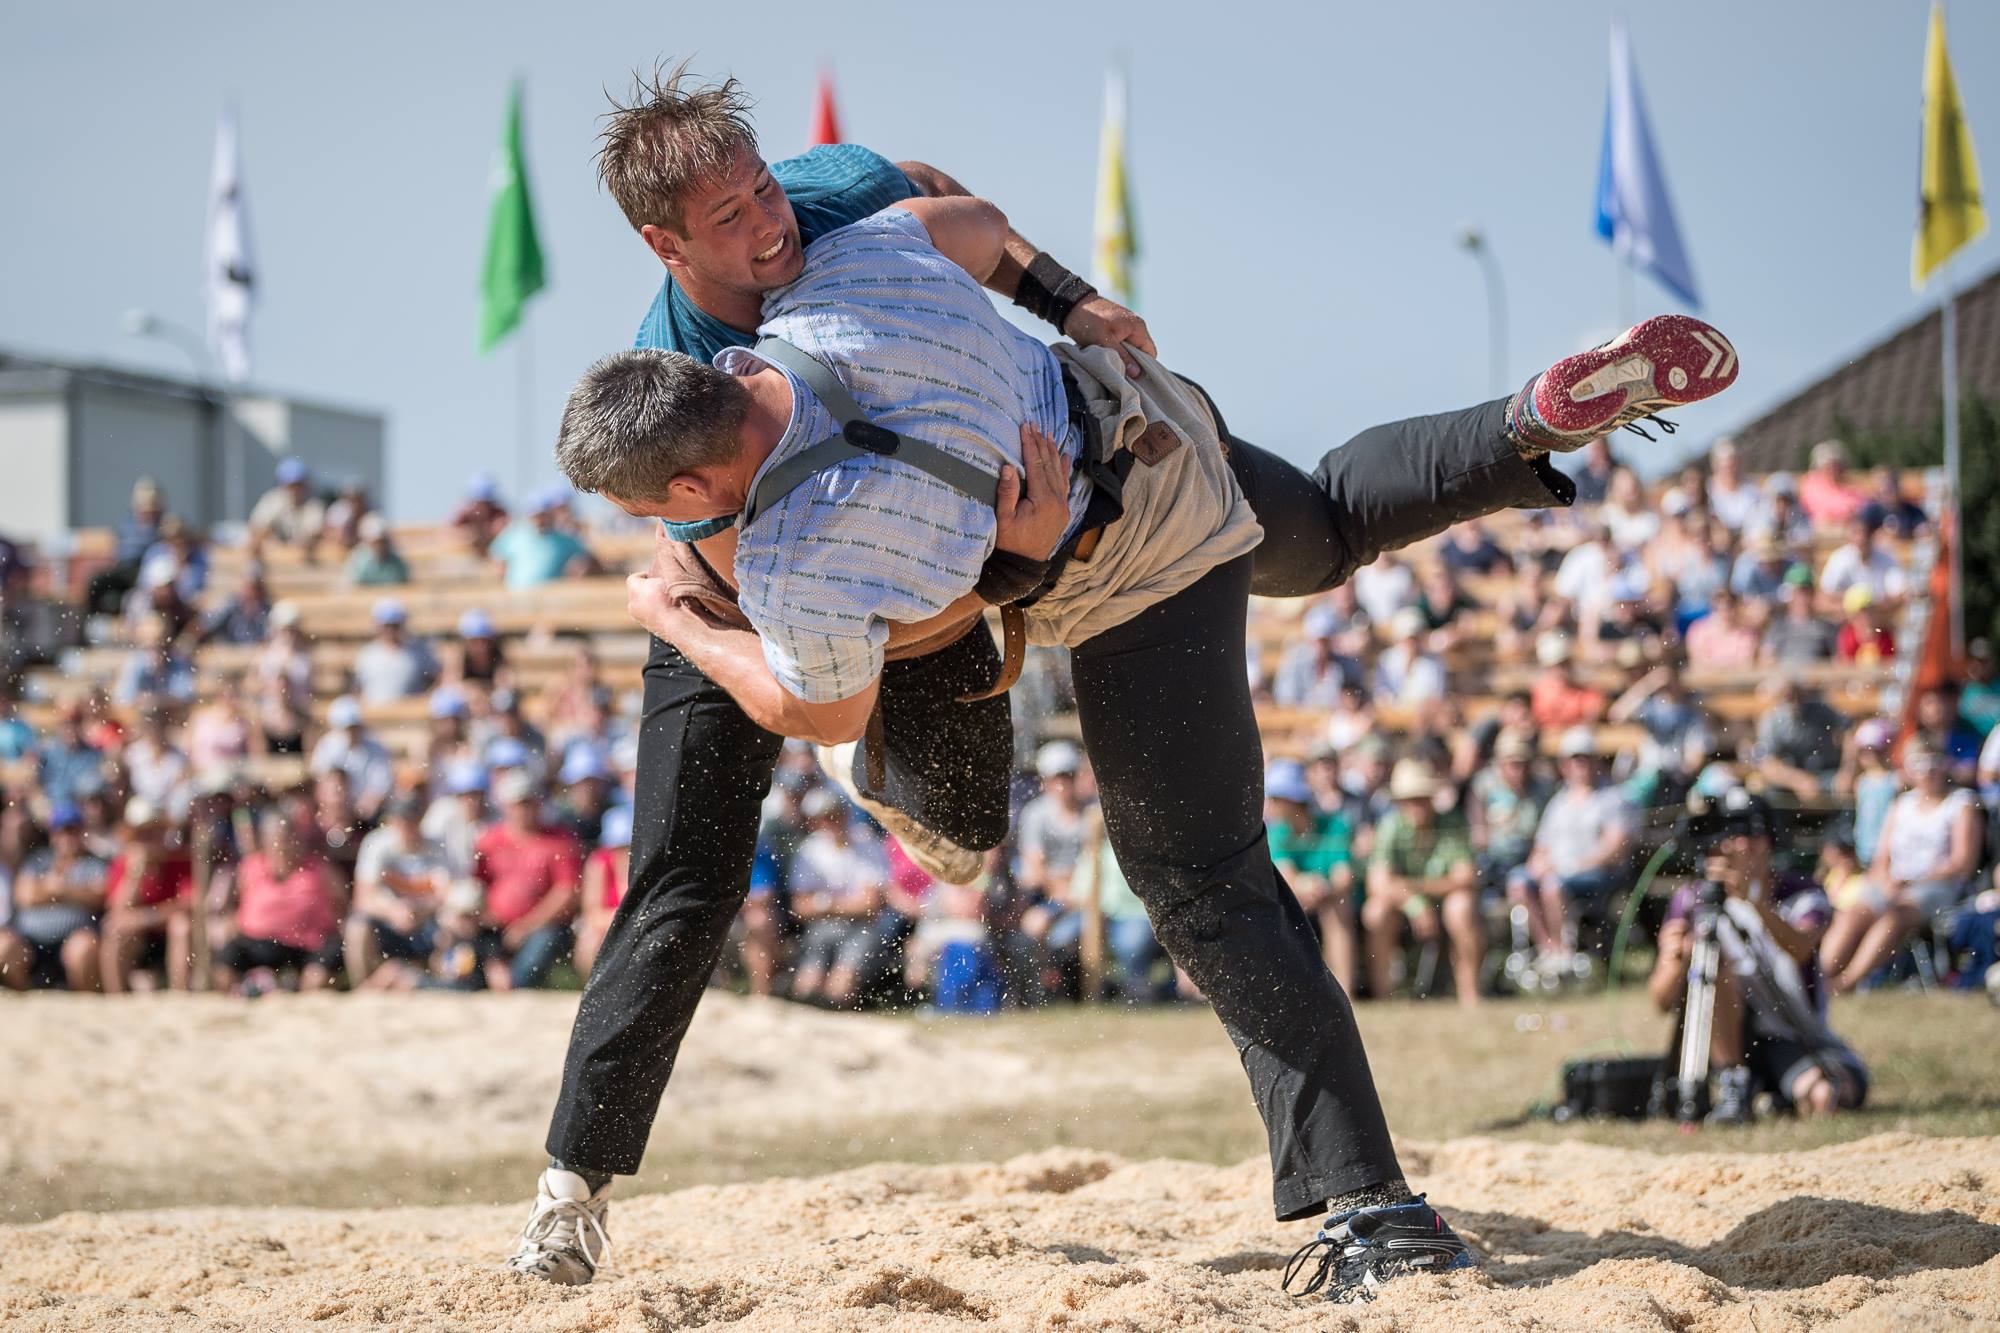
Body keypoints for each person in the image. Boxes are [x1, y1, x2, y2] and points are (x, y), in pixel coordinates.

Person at [509, 67, 1739, 1297]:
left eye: (765, 189)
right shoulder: (718, 365)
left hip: (995, 561)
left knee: (1095, 850)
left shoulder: (831, 232)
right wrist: (1059, 355)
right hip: (1115, 450)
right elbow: (948, 232)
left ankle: (1366, 1202)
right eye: (728, 221)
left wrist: (1067, 305)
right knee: (1312, 530)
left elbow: (938, 220)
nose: (770, 224)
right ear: (660, 243)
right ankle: (1520, 422)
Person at [1647, 789, 1866, 1123]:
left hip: (1789, 1032)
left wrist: (1755, 901)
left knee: (1825, 1097)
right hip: (1720, 1038)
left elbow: (1800, 947)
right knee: (1715, 965)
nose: (1734, 845)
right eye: (1727, 834)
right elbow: (1661, 1001)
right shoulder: (1693, 900)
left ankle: (1773, 1093)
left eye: (1746, 833)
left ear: (1768, 842)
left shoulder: (1799, 892)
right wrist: (1676, 957)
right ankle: (1734, 1085)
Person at [1822, 739, 1980, 994]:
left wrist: (1911, 882)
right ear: (1909, 770)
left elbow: (1962, 863)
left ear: (1945, 766)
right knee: (1852, 914)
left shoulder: (1961, 803)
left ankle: (1846, 983)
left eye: (1935, 764)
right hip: (1896, 882)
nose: (1928, 771)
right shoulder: (1902, 803)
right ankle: (1817, 979)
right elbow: (1882, 857)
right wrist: (1883, 880)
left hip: (1939, 886)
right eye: (1920, 764)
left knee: (1894, 917)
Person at [1512, 728, 1633, 977]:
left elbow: (1615, 848)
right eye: (1575, 759)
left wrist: (1573, 865)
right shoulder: (1558, 802)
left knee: (1553, 885)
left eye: (1585, 757)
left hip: (1597, 874)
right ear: (1564, 764)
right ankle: (1547, 950)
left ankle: (1563, 954)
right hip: (1560, 871)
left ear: (1596, 760)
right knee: (1518, 882)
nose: (1580, 764)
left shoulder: (1612, 798)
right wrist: (1538, 864)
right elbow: (1541, 847)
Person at [1365, 758, 1481, 1006]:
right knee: (1376, 912)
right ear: (1400, 803)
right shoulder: (1390, 826)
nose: (1417, 805)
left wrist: (1414, 889)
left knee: (1461, 906)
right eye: (1410, 800)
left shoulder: (1452, 822)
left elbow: (1467, 876)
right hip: (1408, 904)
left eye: (1422, 798)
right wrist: (1416, 904)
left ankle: (1469, 993)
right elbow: (1377, 884)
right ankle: (1383, 996)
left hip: (1444, 902)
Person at [473, 772, 583, 990]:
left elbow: (567, 892)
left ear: (538, 804)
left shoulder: (559, 841)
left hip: (544, 927)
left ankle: (512, 984)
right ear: (505, 806)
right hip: (494, 928)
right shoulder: (489, 841)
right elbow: (477, 884)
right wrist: (485, 915)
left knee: (535, 958)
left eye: (527, 803)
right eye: (517, 804)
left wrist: (526, 926)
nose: (523, 810)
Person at [213, 808, 343, 992]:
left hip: (308, 944)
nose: (284, 845)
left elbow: (342, 905)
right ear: (266, 841)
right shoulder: (249, 868)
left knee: (318, 978)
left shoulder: (320, 869)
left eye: (289, 838)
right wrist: (227, 924)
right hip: (257, 943)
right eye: (278, 839)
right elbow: (232, 906)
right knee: (224, 967)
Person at [1264, 759, 1358, 995]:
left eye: (1276, 798)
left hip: (1330, 897)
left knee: (1338, 907)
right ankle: (1289, 993)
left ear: (1294, 800)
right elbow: (1287, 876)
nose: (1271, 804)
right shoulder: (1278, 831)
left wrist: (1323, 888)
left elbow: (1344, 876)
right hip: (1297, 898)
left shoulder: (1335, 826)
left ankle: (1344, 992)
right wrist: (1306, 886)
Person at [345, 791, 453, 989]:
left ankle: (439, 980)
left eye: (411, 820)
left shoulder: (436, 848)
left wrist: (418, 912)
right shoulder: (377, 844)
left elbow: (445, 895)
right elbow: (363, 899)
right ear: (392, 821)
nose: (407, 826)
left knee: (451, 923)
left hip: (426, 923)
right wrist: (393, 912)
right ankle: (361, 986)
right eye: (402, 820)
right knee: (357, 927)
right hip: (387, 922)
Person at [0, 804, 108, 990]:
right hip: (29, 940)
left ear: (82, 832)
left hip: (73, 937)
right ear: (52, 834)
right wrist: (71, 892)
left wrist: (55, 888)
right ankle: (27, 998)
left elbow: (98, 896)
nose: (67, 837)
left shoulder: (95, 863)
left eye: (72, 830)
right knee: (4, 947)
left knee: (84, 948)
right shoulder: (38, 859)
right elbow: (25, 895)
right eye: (61, 831)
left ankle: (84, 1004)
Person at [98, 799, 195, 993]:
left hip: (168, 937)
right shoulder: (124, 863)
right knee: (115, 931)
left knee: (181, 926)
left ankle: (181, 994)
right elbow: (116, 912)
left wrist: (148, 917)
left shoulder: (181, 861)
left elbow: (188, 904)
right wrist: (135, 874)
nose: (151, 839)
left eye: (157, 831)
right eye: (144, 833)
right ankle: (116, 1000)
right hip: (139, 941)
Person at [308, 696, 396, 820]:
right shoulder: (326, 746)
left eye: (353, 727)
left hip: (368, 814)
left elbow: (380, 788)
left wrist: (359, 813)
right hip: (337, 811)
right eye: (347, 728)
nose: (351, 732)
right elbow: (322, 782)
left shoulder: (376, 747)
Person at [490, 490, 598, 588]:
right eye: (536, 516)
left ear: (551, 515)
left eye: (544, 515)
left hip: (550, 600)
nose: (540, 520)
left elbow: (586, 560)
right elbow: (498, 561)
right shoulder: (513, 534)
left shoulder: (564, 540)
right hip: (515, 598)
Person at [574, 805, 631, 978]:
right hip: (609, 927)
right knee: (589, 940)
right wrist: (626, 918)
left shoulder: (651, 865)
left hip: (633, 926)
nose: (625, 853)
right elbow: (592, 913)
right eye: (619, 847)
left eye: (628, 846)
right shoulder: (599, 863)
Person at [352, 598, 439, 703]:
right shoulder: (366, 655)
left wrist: (422, 700)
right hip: (373, 715)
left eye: (394, 625)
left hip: (410, 716)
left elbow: (437, 679)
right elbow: (357, 689)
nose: (390, 630)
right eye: (386, 626)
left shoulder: (419, 652)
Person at [247, 457, 327, 559]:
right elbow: (257, 528)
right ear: (283, 484)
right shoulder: (273, 500)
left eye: (299, 485)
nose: (296, 490)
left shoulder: (314, 504)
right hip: (274, 556)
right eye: (292, 485)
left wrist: (302, 544)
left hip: (300, 558)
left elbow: (314, 533)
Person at [1797, 440, 1868, 530]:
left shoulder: (1852, 485)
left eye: (1837, 466)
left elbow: (1863, 506)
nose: (1833, 470)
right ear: (1820, 467)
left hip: (1850, 531)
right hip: (1822, 533)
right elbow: (1821, 512)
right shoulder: (1811, 484)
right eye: (1829, 466)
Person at [345, 514, 412, 587]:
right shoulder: (358, 561)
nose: (380, 546)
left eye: (383, 541)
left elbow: (404, 586)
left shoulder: (397, 563)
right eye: (377, 542)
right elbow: (354, 588)